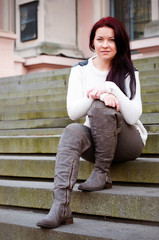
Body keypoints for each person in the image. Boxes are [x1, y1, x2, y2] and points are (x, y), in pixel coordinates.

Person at [36, 16, 147, 229]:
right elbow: (72, 112)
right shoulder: (80, 70)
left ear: (119, 43)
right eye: (100, 39)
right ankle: (61, 206)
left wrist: (110, 89)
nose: (105, 45)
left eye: (112, 40)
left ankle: (102, 173)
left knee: (101, 108)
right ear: (92, 42)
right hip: (98, 139)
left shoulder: (128, 71)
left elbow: (133, 117)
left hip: (128, 143)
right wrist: (96, 96)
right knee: (72, 130)